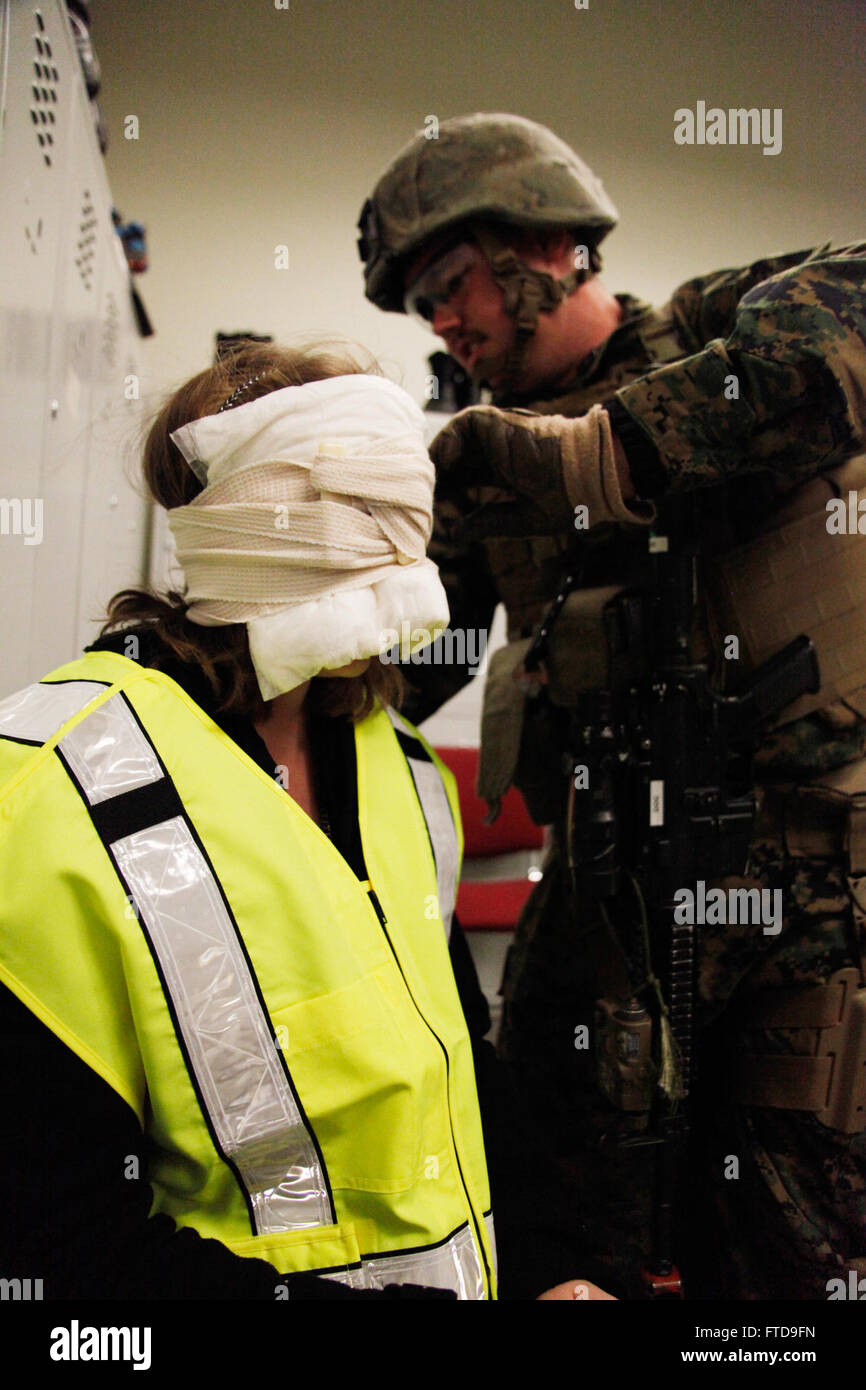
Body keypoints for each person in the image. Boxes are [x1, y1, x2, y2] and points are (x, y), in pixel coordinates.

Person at [358, 112, 866, 1299]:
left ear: (543, 245)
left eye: (447, 285)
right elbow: (407, 647)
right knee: (547, 1229)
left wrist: (599, 459)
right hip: (595, 900)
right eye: (420, 307)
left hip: (806, 910)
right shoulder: (484, 466)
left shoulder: (707, 329)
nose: (440, 324)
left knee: (784, 1262)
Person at [0, 340, 616, 1301]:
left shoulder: (397, 762)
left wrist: (551, 1264)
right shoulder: (49, 790)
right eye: (354, 517)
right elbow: (56, 1255)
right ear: (244, 525)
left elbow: (456, 1069)